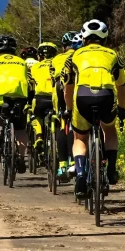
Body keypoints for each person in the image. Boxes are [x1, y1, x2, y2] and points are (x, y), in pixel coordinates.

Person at [62, 20, 125, 199]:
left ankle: (81, 174)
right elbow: (121, 85)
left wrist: (68, 109)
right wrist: (121, 108)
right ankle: (111, 169)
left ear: (83, 37)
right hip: (107, 96)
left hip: (82, 97)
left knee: (80, 138)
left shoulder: (73, 56)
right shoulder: (113, 55)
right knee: (109, 130)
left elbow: (68, 87)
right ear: (104, 37)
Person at [0, 36, 32, 172]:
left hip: (0, 97)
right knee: (20, 129)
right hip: (20, 98)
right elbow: (29, 82)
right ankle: (21, 156)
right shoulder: (22, 62)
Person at [50, 32, 77, 182]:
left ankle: (62, 166)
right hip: (81, 90)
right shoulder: (82, 55)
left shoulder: (56, 60)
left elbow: (54, 81)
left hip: (62, 91)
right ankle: (76, 161)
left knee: (63, 125)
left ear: (63, 47)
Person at [28, 42, 58, 160]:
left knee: (35, 116)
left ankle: (39, 136)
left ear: (39, 55)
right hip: (55, 98)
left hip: (40, 98)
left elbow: (30, 85)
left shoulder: (34, 67)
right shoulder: (57, 64)